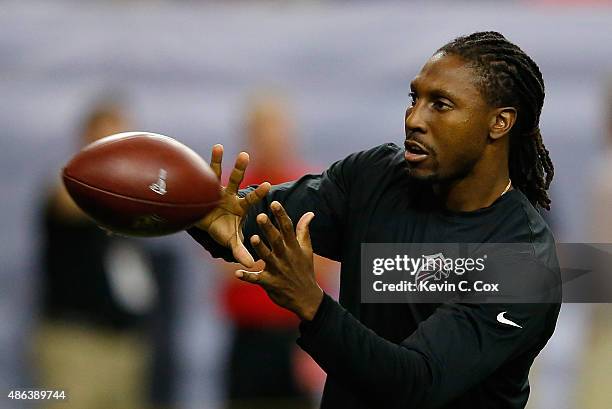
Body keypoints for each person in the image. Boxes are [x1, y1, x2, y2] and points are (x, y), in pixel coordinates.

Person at [188, 31, 561, 409]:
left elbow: (416, 383)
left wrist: (313, 306)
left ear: (499, 122)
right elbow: (243, 227)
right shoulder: (374, 178)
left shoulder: (524, 261)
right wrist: (199, 213)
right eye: (415, 98)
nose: (415, 119)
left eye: (441, 104)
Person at [35, 100, 178, 409]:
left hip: (126, 346)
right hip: (76, 344)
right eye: (106, 143)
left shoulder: (132, 198)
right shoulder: (67, 188)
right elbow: (65, 200)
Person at [219, 94, 332, 409]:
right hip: (248, 334)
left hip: (296, 333)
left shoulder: (313, 187)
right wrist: (286, 259)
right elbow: (224, 264)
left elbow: (322, 263)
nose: (269, 138)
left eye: (275, 129)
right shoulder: (233, 191)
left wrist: (255, 259)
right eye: (261, 130)